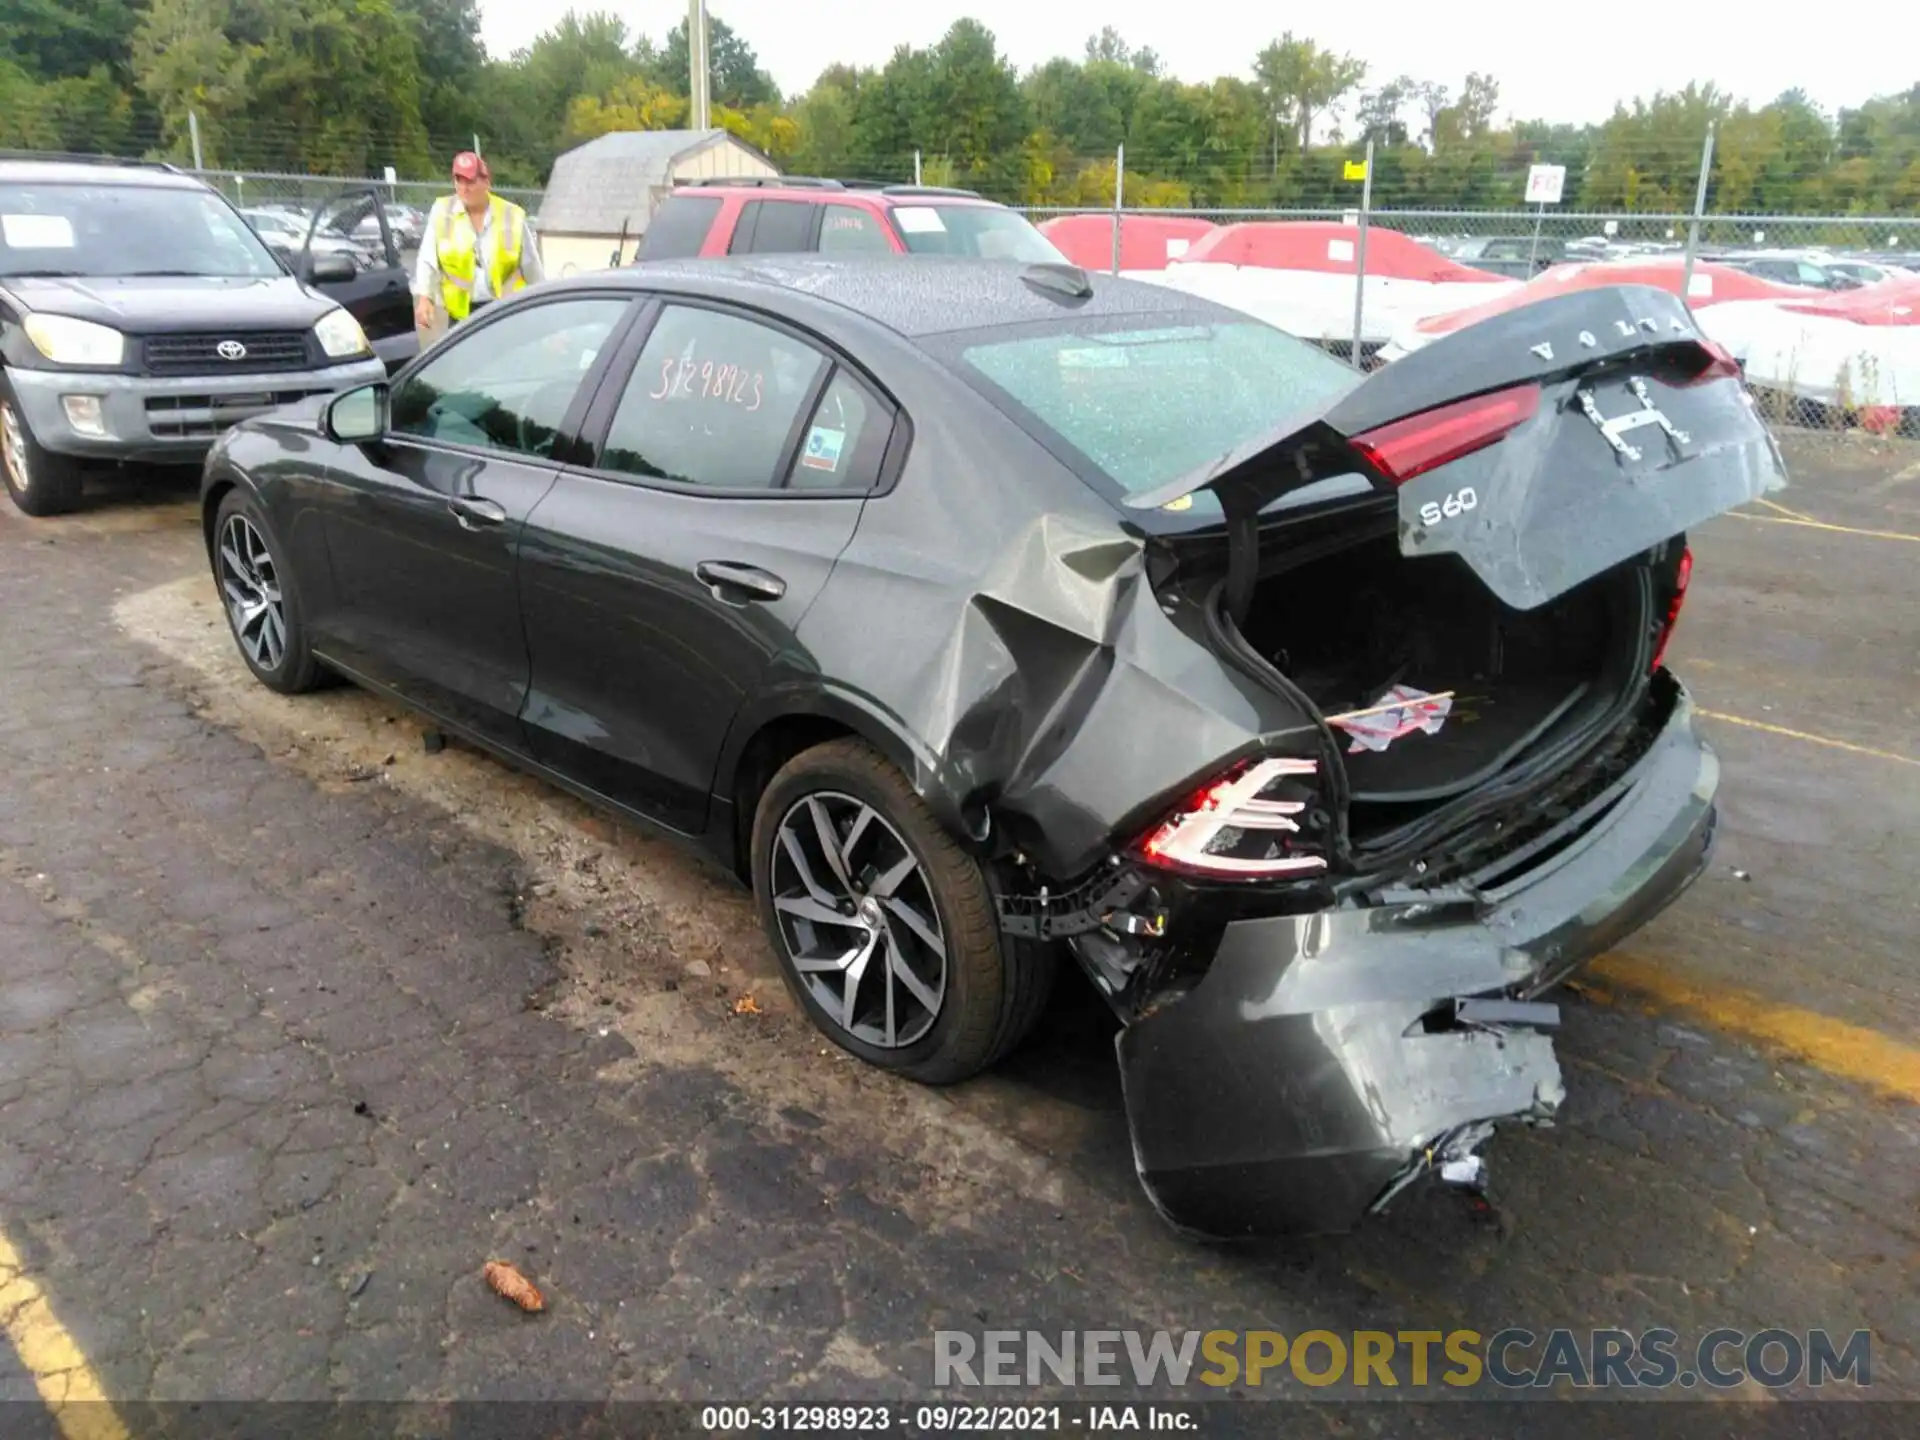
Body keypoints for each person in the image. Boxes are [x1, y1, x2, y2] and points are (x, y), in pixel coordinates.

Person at [412, 151, 544, 331]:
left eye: (470, 181)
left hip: (505, 312)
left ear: (486, 182)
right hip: (462, 316)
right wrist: (425, 297)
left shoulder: (511, 215)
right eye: (459, 181)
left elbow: (532, 267)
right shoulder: (442, 212)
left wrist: (544, 308)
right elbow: (427, 259)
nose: (464, 188)